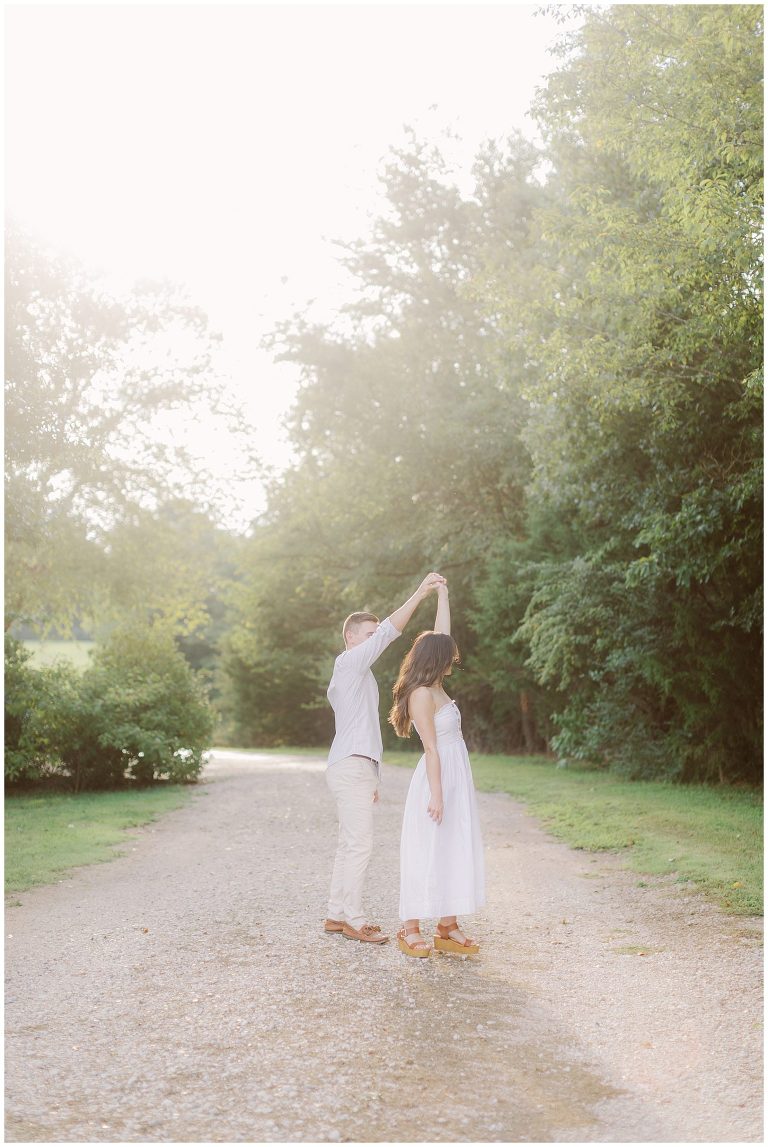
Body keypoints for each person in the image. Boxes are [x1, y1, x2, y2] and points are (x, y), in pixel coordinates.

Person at [324, 571, 447, 944]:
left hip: (356, 765)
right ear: (350, 637)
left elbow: (361, 727)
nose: (374, 640)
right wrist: (420, 593)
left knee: (349, 843)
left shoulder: (359, 675)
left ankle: (335, 915)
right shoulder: (348, 664)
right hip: (350, 764)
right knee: (359, 844)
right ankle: (355, 921)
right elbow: (388, 633)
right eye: (368, 634)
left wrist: (374, 776)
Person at [389, 582, 485, 956]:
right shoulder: (421, 694)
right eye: (449, 656)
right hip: (437, 780)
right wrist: (438, 794)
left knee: (453, 848)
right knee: (426, 848)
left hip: (456, 777)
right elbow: (431, 748)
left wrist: (443, 594)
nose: (453, 660)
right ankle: (409, 926)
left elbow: (441, 636)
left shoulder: (437, 683)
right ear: (436, 659)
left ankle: (448, 925)